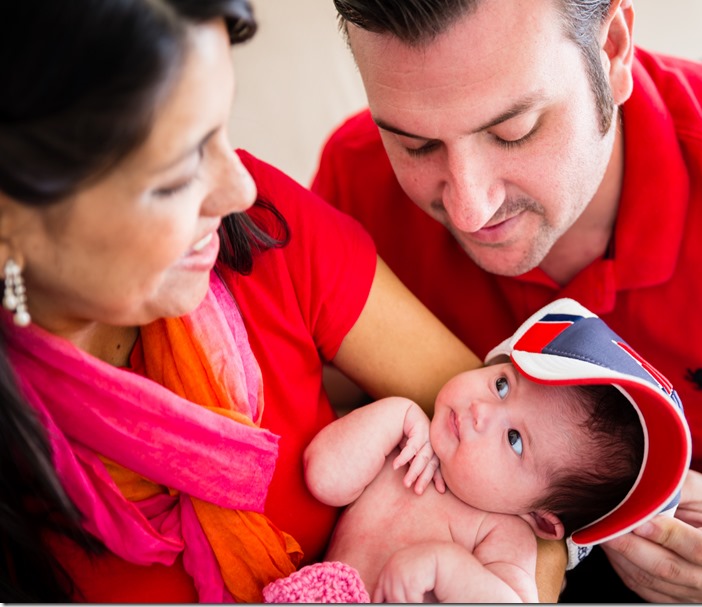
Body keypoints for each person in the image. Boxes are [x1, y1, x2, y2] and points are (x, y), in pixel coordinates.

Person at [312, 0, 702, 602]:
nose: (470, 209)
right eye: (417, 146)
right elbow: (317, 389)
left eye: (513, 131)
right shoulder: (356, 177)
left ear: (614, 50)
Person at [0, 2, 495, 602]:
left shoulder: (263, 227)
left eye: (222, 134)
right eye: (179, 170)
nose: (237, 186)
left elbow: (521, 451)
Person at [265, 298, 690, 603]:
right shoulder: (405, 443)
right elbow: (323, 476)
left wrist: (445, 569)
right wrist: (394, 416)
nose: (481, 411)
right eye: (502, 386)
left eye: (514, 440)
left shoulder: (503, 533)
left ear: (541, 519)